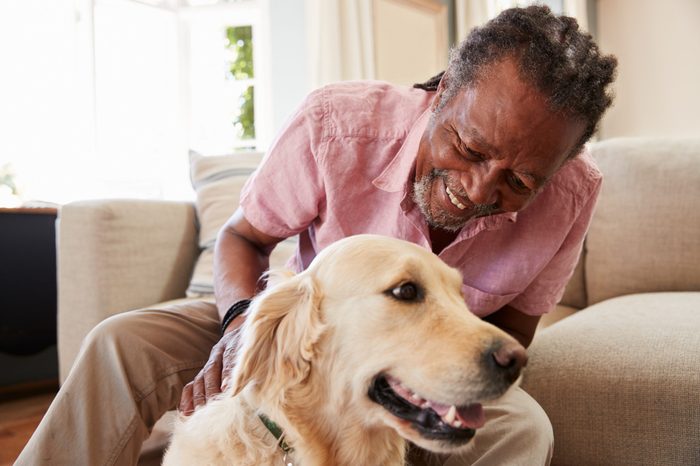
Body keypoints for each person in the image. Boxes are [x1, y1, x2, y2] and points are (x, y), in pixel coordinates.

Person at [17, 5, 616, 466]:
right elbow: (243, 238)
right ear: (440, 95)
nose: (481, 190)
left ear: (559, 168)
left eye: (519, 180)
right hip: (293, 320)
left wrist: (415, 389)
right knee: (121, 343)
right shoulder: (337, 125)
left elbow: (509, 335)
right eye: (468, 147)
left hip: (420, 357)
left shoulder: (571, 197)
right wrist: (239, 327)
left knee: (523, 429)